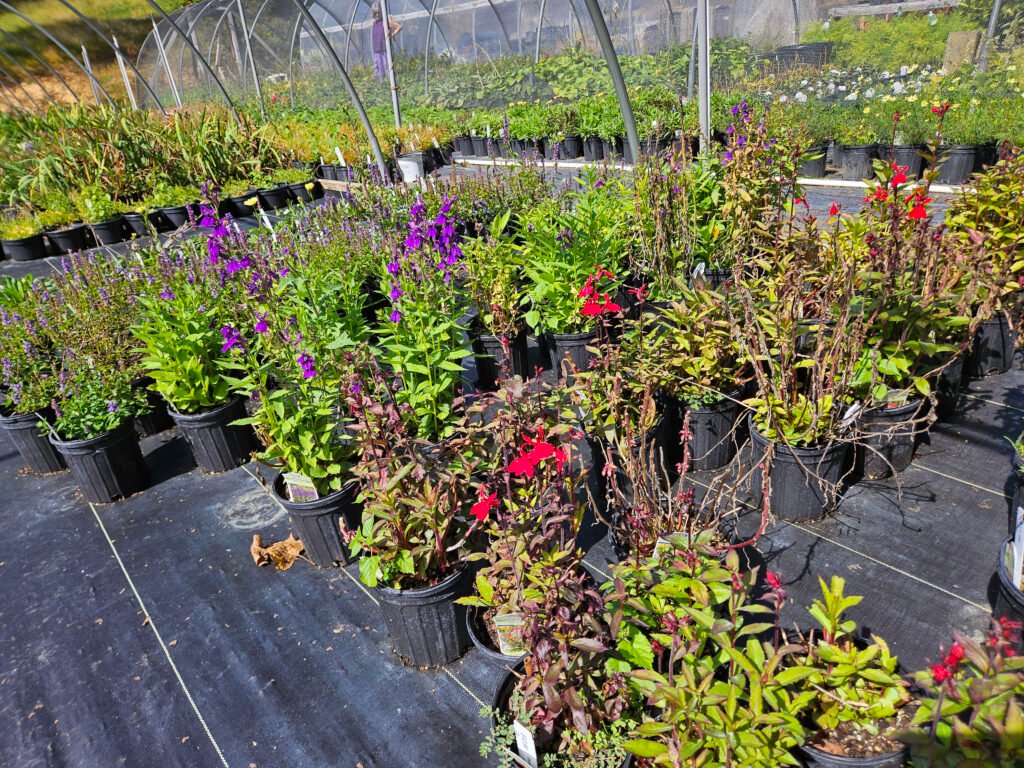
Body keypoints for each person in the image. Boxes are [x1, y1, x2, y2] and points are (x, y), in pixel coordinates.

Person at [372, 3, 401, 81]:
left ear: (382, 12)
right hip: (377, 51)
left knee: (388, 70)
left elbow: (398, 27)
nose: (377, 14)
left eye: (379, 12)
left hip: (385, 50)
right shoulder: (374, 22)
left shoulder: (386, 20)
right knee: (379, 72)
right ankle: (382, 88)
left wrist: (391, 35)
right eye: (375, 13)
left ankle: (391, 86)